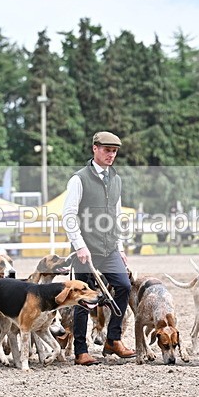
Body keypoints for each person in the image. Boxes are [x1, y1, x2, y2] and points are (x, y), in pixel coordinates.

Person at [62, 131, 135, 366]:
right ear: (95, 148)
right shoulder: (79, 179)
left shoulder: (116, 179)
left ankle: (113, 339)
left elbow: (116, 215)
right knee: (85, 298)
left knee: (124, 286)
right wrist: (80, 246)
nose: (111, 155)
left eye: (114, 151)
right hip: (85, 250)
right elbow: (69, 216)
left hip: (110, 248)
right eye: (106, 150)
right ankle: (80, 350)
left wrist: (120, 246)